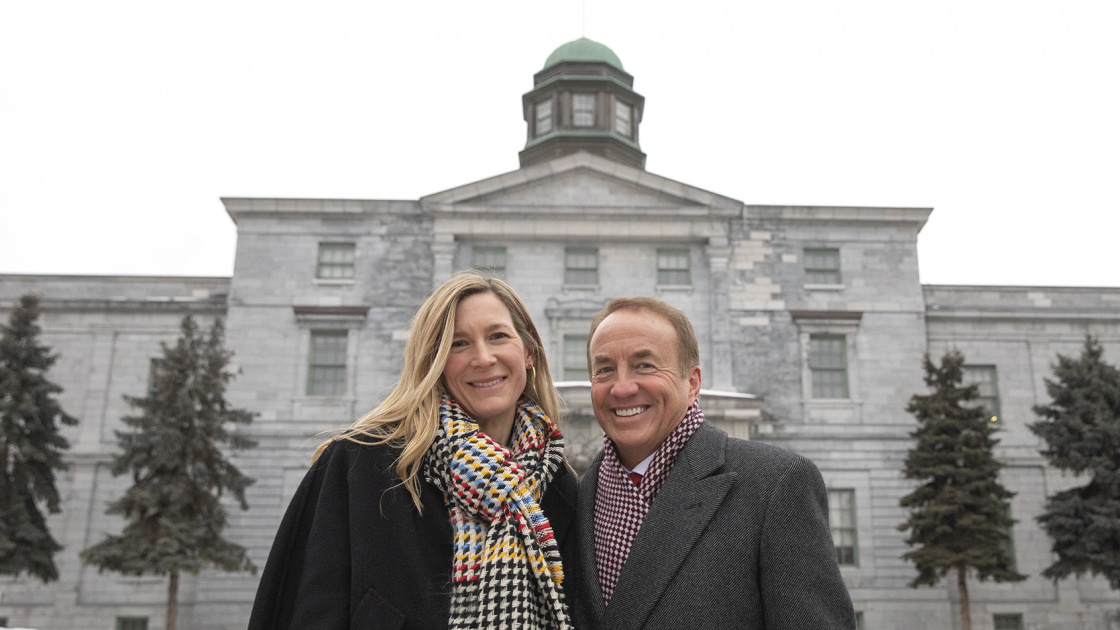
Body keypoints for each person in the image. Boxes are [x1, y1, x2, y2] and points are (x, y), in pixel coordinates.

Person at [248, 273, 577, 630]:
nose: (483, 358)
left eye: (497, 336)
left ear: (529, 352)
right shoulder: (362, 464)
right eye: (458, 343)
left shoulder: (559, 487)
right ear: (433, 361)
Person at [567, 297, 856, 630]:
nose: (622, 387)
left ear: (692, 383)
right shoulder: (576, 495)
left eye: (644, 365)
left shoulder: (776, 483)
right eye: (604, 370)